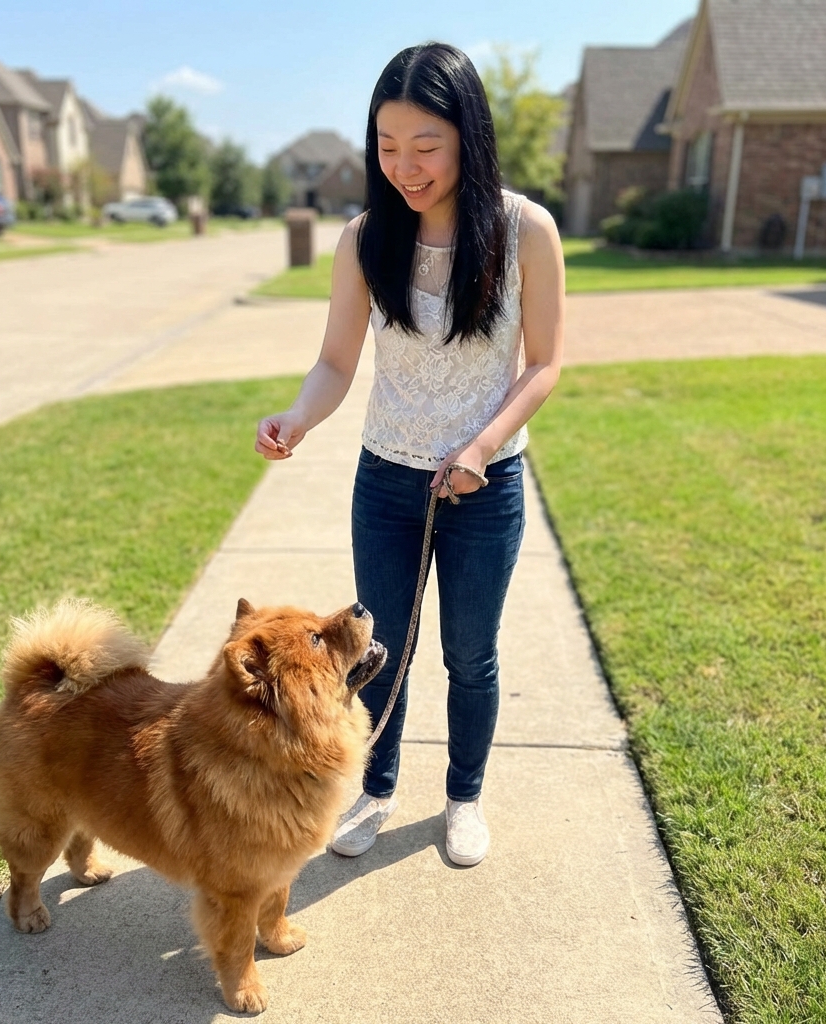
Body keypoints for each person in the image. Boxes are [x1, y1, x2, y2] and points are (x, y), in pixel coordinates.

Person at [255, 42, 564, 866]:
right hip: (386, 481)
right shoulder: (363, 238)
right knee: (377, 650)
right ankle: (377, 789)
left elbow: (544, 364)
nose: (405, 166)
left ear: (467, 133)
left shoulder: (524, 229)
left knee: (471, 652)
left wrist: (481, 446)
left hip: (484, 483)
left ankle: (464, 798)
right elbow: (334, 364)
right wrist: (297, 417)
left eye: (425, 146)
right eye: (387, 148)